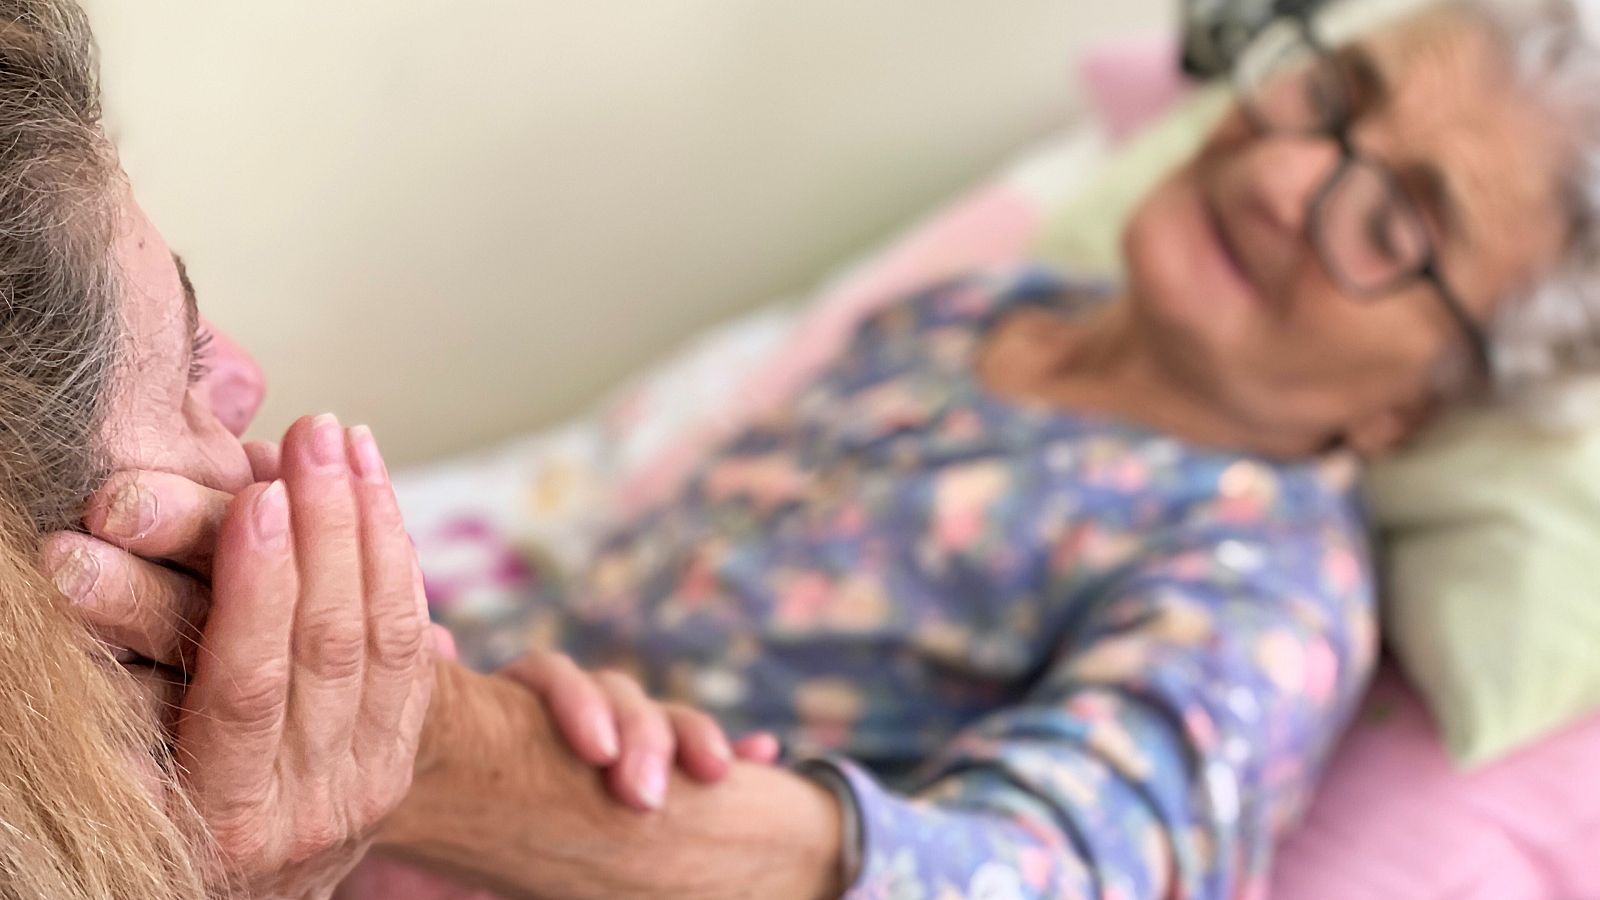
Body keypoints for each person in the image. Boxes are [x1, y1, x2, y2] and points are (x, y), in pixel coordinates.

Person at [8, 0, 1600, 898]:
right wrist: (506, 682)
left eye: (1398, 221)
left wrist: (439, 747)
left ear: (1408, 410)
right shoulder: (985, 311)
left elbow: (1042, 881)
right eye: (1332, 94)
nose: (1288, 173)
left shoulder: (1261, 579)